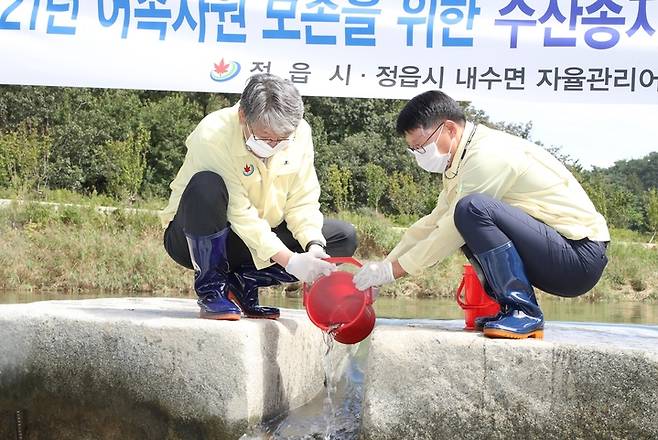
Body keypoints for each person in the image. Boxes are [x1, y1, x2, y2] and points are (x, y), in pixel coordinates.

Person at [353, 90, 609, 340]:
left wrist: (394, 271)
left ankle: (524, 312)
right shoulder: (460, 160)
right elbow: (433, 222)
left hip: (577, 256)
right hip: (552, 251)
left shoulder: (488, 155)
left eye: (422, 147)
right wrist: (382, 270)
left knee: (470, 211)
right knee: (465, 216)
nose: (420, 156)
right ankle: (509, 309)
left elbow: (449, 231)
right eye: (414, 150)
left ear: (450, 129)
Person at [160, 73, 356, 320]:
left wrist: (313, 246)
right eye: (265, 137)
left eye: (282, 139)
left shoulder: (300, 133)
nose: (273, 145)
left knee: (342, 239)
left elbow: (302, 199)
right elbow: (240, 213)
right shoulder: (213, 134)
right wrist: (290, 261)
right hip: (200, 236)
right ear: (243, 116)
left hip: (259, 240)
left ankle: (243, 283)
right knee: (205, 185)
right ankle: (212, 290)